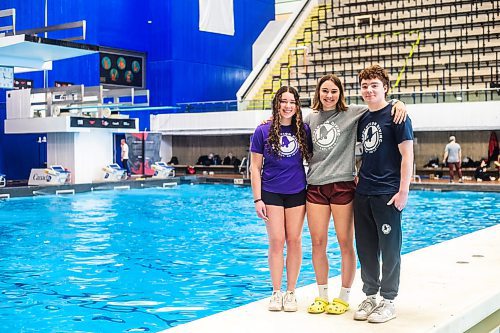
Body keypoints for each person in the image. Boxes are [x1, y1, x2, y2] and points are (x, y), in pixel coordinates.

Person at [304, 74, 407, 315]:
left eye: (334, 91)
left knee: (345, 242)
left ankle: (344, 296)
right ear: (318, 92)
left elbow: (380, 105)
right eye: (325, 91)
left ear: (341, 93)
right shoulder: (309, 119)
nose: (329, 95)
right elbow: (289, 126)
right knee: (318, 242)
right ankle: (322, 296)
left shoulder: (354, 113)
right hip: (316, 186)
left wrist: (398, 102)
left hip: (343, 186)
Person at [353, 64, 413, 323]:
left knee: (389, 249)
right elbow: (362, 152)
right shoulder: (363, 119)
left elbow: (407, 155)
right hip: (363, 192)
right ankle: (370, 295)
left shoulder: (398, 116)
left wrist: (403, 192)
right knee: (365, 248)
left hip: (387, 193)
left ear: (385, 88)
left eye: (374, 85)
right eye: (365, 86)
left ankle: (388, 299)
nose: (369, 90)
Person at [250, 86, 312, 312]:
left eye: (292, 102)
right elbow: (255, 168)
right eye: (283, 101)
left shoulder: (304, 129)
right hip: (271, 192)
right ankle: (276, 292)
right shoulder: (262, 131)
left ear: (297, 106)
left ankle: (291, 292)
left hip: (297, 191)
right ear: (276, 104)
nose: (287, 106)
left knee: (294, 240)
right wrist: (257, 199)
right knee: (277, 240)